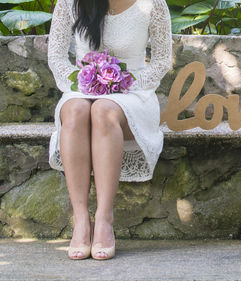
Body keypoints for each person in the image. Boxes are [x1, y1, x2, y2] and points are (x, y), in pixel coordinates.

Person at [47, 0, 172, 260]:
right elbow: (57, 57)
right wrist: (84, 82)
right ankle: (81, 220)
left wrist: (120, 83)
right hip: (82, 88)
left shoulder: (153, 4)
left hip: (134, 93)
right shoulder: (70, 2)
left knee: (103, 110)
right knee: (75, 111)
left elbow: (161, 61)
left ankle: (104, 218)